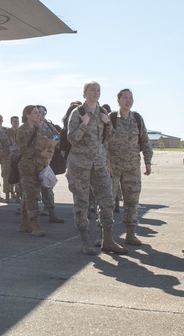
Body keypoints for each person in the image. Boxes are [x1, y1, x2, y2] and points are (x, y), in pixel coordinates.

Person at [66, 81, 121, 255]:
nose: (96, 93)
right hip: (80, 165)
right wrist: (84, 124)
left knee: (106, 200)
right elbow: (72, 139)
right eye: (92, 90)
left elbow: (109, 137)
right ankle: (85, 241)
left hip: (99, 164)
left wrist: (108, 123)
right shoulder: (78, 113)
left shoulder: (103, 112)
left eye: (98, 90)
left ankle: (107, 238)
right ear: (84, 93)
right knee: (81, 203)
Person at [108, 88, 154, 247]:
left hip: (132, 167)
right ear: (118, 100)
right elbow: (103, 142)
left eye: (131, 97)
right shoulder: (111, 118)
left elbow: (145, 141)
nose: (128, 100)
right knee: (107, 201)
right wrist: (106, 162)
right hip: (112, 168)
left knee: (132, 200)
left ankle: (130, 233)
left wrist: (147, 161)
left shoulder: (137, 118)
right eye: (125, 97)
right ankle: (105, 235)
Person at [16, 105, 52, 237]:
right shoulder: (22, 131)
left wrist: (49, 150)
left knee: (29, 195)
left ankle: (24, 223)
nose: (38, 115)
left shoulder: (39, 129)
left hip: (38, 166)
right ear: (28, 115)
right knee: (32, 196)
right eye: (35, 113)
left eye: (39, 113)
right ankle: (35, 226)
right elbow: (24, 150)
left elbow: (47, 141)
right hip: (26, 166)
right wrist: (40, 153)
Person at [37, 105, 66, 224]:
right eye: (38, 112)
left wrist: (51, 144)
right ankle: (27, 216)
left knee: (47, 187)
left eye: (43, 113)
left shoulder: (49, 126)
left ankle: (51, 212)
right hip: (33, 161)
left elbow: (56, 136)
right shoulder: (30, 127)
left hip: (46, 162)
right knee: (30, 190)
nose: (40, 115)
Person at [0, 114, 12, 202]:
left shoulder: (7, 130)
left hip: (5, 155)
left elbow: (9, 142)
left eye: (0, 119)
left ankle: (8, 193)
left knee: (6, 173)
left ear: (2, 120)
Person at [6, 115, 21, 202]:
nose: (16, 123)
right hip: (8, 157)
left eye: (17, 121)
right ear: (11, 122)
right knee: (7, 175)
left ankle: (18, 194)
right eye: (14, 121)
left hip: (18, 157)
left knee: (18, 175)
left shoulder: (21, 131)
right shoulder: (7, 132)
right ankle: (8, 194)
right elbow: (4, 143)